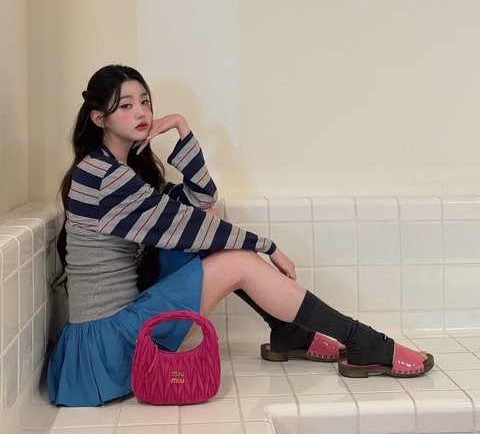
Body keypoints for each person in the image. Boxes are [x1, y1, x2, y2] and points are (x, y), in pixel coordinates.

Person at [47, 64, 433, 407]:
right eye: (126, 105)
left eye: (145, 102)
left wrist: (182, 127)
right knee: (235, 259)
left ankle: (289, 333)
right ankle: (360, 340)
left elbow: (202, 201)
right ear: (99, 118)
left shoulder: (118, 169)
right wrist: (268, 246)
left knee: (213, 224)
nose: (141, 113)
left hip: (117, 329)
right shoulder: (104, 177)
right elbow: (191, 228)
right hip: (106, 345)